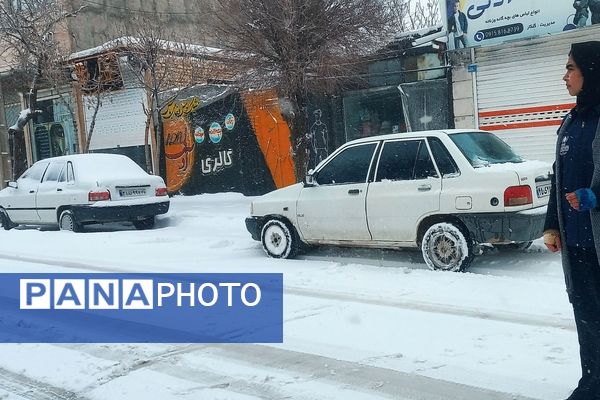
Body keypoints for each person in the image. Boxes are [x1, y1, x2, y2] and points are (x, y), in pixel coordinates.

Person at [544, 41, 600, 400]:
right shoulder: (570, 121)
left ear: (590, 72)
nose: (565, 76)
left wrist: (596, 197)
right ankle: (592, 384)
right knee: (588, 319)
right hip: (578, 243)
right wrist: (552, 224)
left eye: (570, 68)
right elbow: (557, 176)